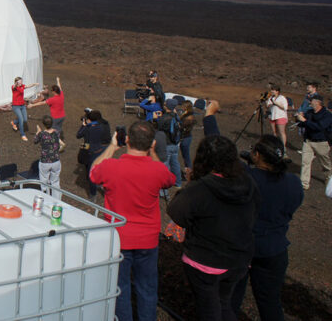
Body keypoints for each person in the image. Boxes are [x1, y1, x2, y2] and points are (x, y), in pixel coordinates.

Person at [90, 120, 176, 321]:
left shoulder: (111, 167)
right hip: (148, 239)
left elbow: (93, 172)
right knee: (147, 288)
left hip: (119, 238)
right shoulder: (158, 170)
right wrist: (152, 153)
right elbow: (170, 180)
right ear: (152, 144)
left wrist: (112, 146)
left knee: (120, 287)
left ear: (126, 140)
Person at [167, 135, 260, 321]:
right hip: (239, 258)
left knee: (208, 307)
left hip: (206, 261)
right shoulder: (247, 183)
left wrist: (192, 182)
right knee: (224, 302)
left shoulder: (200, 188)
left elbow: (176, 212)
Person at [231, 135, 304, 321]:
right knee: (270, 301)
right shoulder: (293, 183)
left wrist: (209, 117)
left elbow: (224, 156)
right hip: (275, 248)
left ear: (256, 155)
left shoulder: (246, 178)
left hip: (242, 246)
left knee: (231, 298)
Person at [296, 94, 332, 190]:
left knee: (325, 164)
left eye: (311, 101)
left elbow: (319, 127)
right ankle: (304, 183)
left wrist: (305, 120)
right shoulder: (309, 112)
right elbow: (302, 124)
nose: (309, 102)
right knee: (305, 162)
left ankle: (329, 178)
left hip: (321, 142)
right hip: (308, 141)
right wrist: (299, 118)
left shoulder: (327, 115)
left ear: (317, 102)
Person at [77, 110, 110, 199]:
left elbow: (78, 135)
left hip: (90, 152)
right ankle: (102, 186)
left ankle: (93, 194)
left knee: (91, 173)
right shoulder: (101, 126)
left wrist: (83, 125)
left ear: (89, 119)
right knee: (100, 170)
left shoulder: (88, 128)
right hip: (100, 150)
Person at [28, 77, 66, 150]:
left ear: (54, 92)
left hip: (55, 117)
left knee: (52, 131)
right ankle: (58, 140)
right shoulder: (61, 94)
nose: (51, 92)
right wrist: (58, 80)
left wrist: (32, 105)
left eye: (52, 91)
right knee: (58, 129)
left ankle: (61, 144)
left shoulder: (52, 99)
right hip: (62, 116)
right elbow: (60, 87)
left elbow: (42, 103)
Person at [34, 115, 62, 199]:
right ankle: (56, 199)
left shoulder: (42, 134)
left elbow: (35, 141)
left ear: (43, 124)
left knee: (44, 181)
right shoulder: (57, 132)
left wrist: (38, 132)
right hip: (56, 160)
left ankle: (45, 197)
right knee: (55, 181)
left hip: (45, 161)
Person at [158, 99, 183, 187]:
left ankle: (164, 187)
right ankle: (178, 182)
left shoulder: (164, 118)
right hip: (175, 144)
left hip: (167, 144)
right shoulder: (176, 116)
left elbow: (158, 128)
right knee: (175, 163)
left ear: (166, 106)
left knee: (165, 166)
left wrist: (157, 118)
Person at [10, 77, 39, 141]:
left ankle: (14, 122)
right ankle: (22, 134)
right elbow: (13, 86)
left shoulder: (22, 86)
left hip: (22, 106)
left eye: (21, 81)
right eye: (19, 82)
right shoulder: (14, 87)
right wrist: (16, 83)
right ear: (16, 82)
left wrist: (34, 84)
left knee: (25, 120)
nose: (21, 82)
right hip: (16, 106)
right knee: (21, 119)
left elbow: (28, 86)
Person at [265, 84, 289, 149]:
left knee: (281, 132)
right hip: (272, 116)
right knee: (274, 132)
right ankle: (275, 144)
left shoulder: (282, 98)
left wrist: (275, 103)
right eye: (271, 90)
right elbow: (268, 106)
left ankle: (283, 146)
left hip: (280, 116)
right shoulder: (270, 98)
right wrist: (267, 102)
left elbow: (285, 107)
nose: (272, 91)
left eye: (273, 90)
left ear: (277, 91)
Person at [179, 100, 196, 180]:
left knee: (186, 156)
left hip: (185, 137)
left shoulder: (188, 117)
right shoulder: (187, 115)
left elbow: (182, 126)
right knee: (185, 155)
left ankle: (188, 172)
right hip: (185, 137)